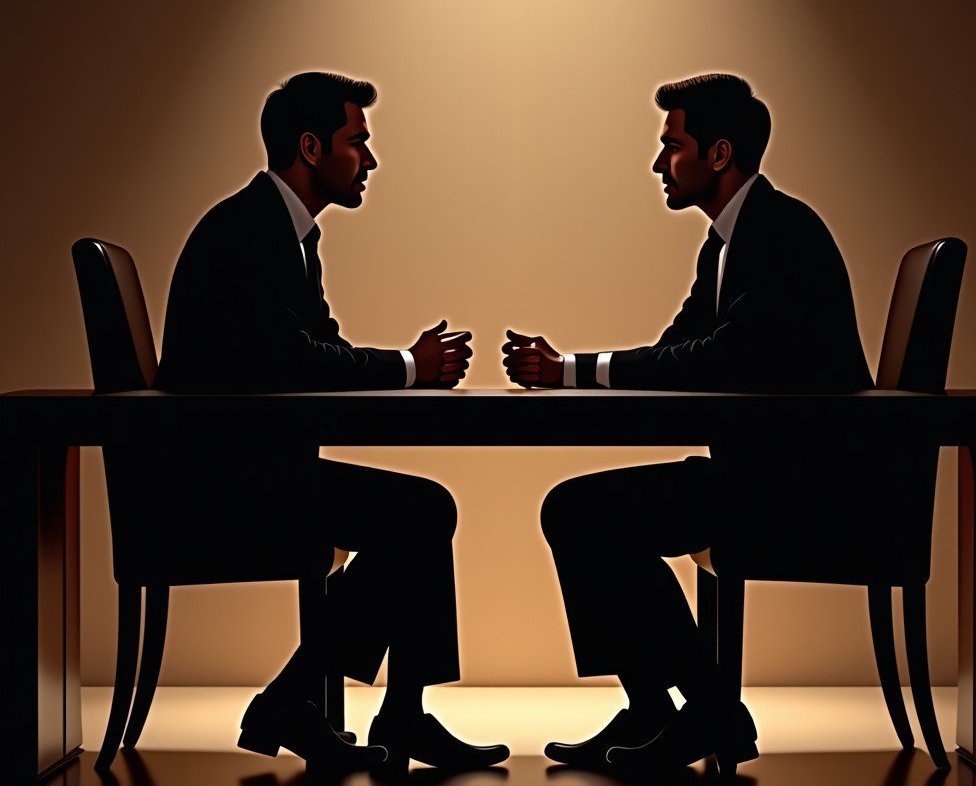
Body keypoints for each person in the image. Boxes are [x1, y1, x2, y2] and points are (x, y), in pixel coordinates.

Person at [503, 73, 872, 774]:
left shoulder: (780, 232)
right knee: (578, 510)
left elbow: (722, 357)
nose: (657, 163)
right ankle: (661, 709)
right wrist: (572, 369)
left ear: (720, 153)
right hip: (760, 475)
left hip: (804, 490)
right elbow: (679, 354)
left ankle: (708, 712)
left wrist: (570, 373)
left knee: (583, 514)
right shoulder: (728, 242)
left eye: (671, 146)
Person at [156, 71, 509, 775]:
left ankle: (356, 711)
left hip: (250, 469)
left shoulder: (286, 233)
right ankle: (314, 705)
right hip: (219, 487)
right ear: (311, 147)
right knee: (419, 513)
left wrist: (403, 366)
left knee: (419, 512)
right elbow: (293, 360)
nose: (369, 161)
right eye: (358, 142)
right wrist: (410, 367)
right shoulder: (248, 232)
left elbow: (324, 353)